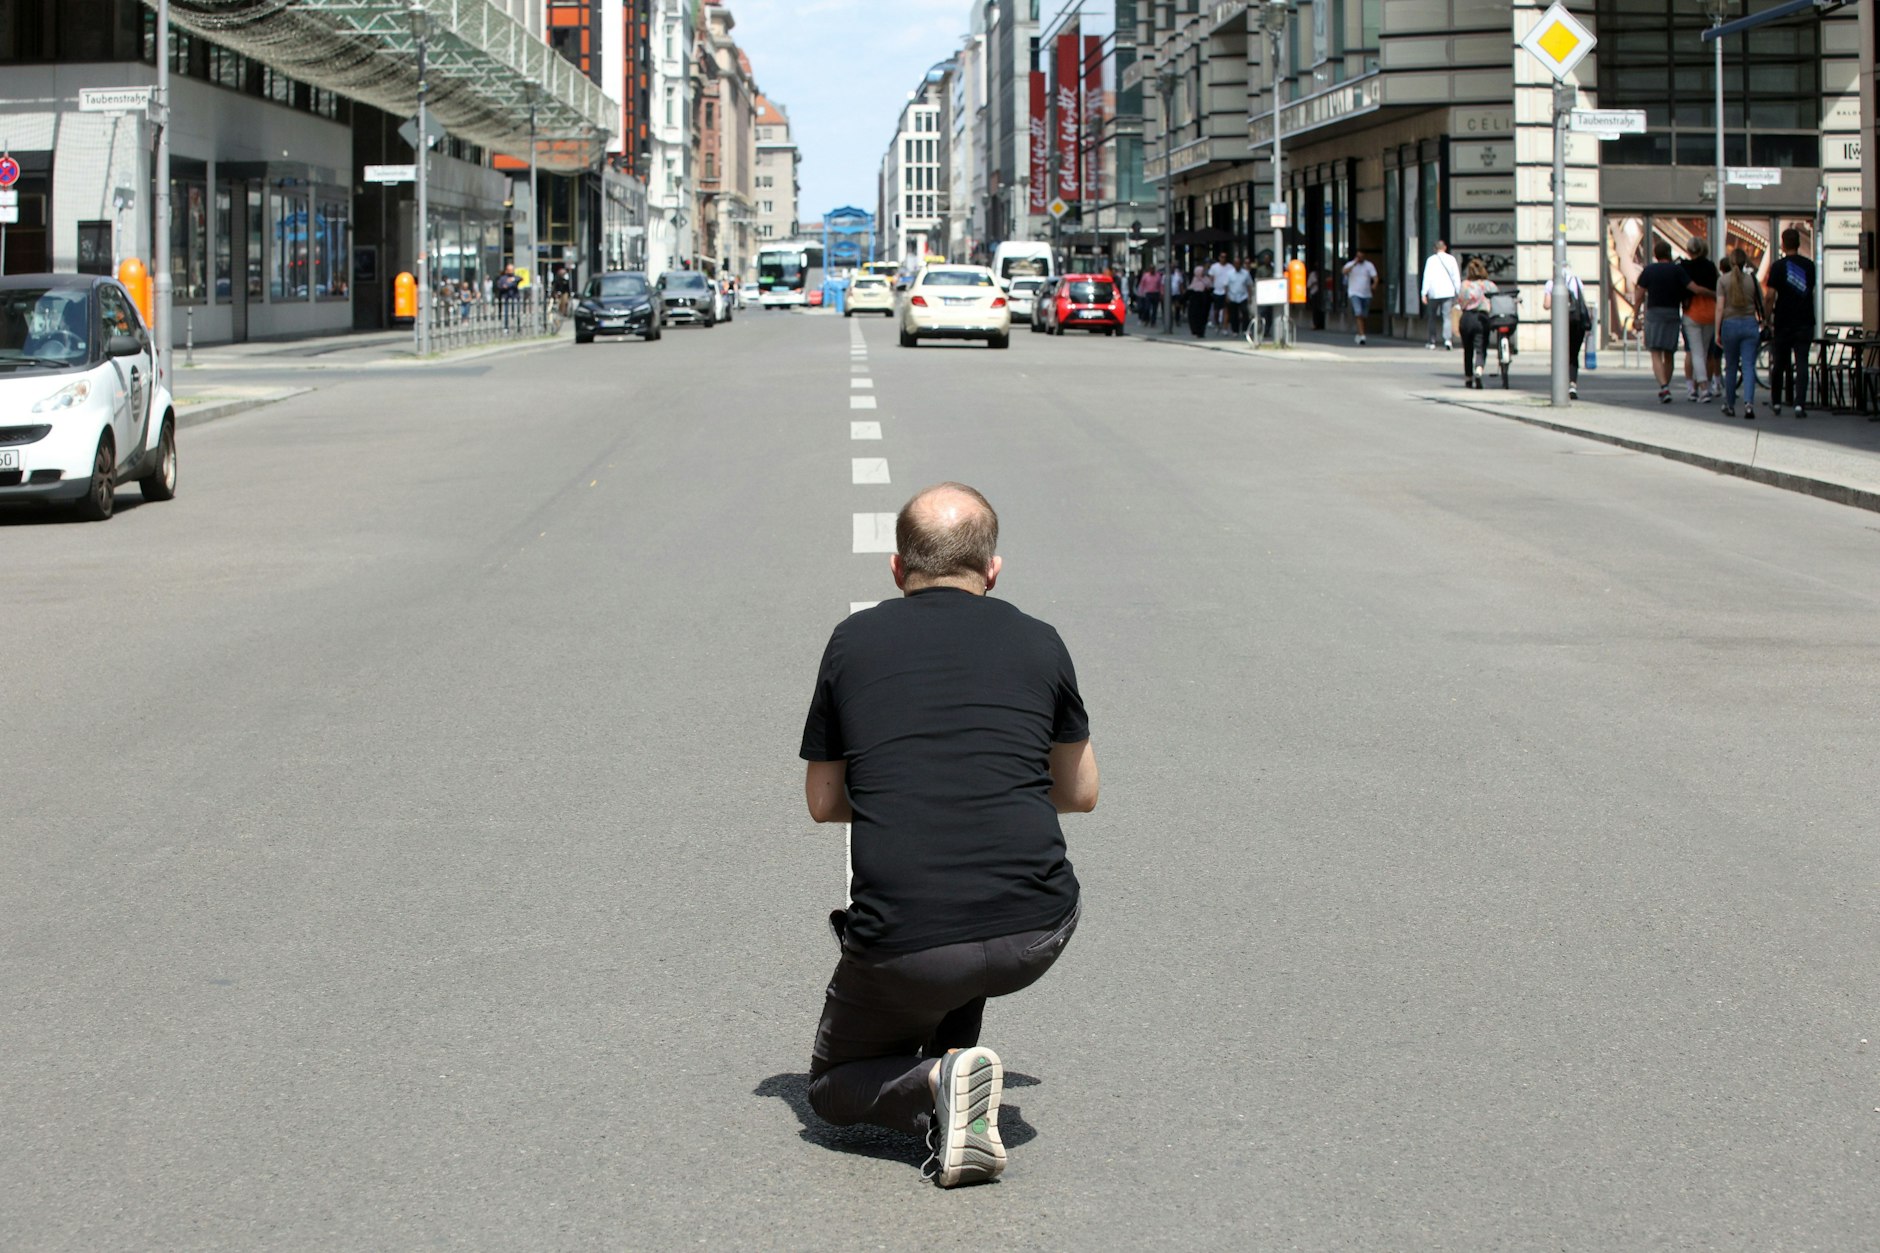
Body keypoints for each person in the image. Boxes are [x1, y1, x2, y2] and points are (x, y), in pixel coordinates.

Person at [799, 483, 1099, 1189]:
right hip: (1038, 927)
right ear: (992, 572)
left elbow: (822, 802)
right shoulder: (1040, 639)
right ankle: (961, 1070)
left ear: (898, 570)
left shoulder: (854, 640)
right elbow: (1081, 792)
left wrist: (901, 789)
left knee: (831, 1087)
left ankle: (940, 1077)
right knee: (971, 888)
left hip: (910, 940)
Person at [1764, 228, 1816, 418]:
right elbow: (1810, 289)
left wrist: (1766, 318)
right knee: (1802, 362)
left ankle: (1777, 402)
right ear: (1799, 244)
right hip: (1805, 320)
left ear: (1783, 244)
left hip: (1784, 321)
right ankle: (1799, 404)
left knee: (1779, 363)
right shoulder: (1809, 266)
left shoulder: (1778, 266)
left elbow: (1770, 296)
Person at [1631, 241, 1687, 403]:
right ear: (1669, 254)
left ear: (1656, 254)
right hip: (1672, 313)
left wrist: (1635, 316)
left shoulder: (1649, 270)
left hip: (1654, 314)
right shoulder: (1678, 270)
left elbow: (1640, 294)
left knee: (1655, 352)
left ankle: (1664, 387)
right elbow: (1689, 290)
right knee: (1669, 353)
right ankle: (1666, 386)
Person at [1715, 248, 1763, 419]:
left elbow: (1720, 307)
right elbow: (1761, 304)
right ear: (1745, 262)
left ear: (1730, 262)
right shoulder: (1752, 280)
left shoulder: (1723, 281)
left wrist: (1717, 331)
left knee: (1731, 366)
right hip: (1750, 324)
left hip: (1730, 325)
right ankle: (1749, 405)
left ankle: (1730, 405)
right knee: (1749, 366)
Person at [1541, 265, 1591, 400]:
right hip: (1577, 322)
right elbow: (1582, 300)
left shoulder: (1551, 284)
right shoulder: (1576, 280)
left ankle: (1560, 385)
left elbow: (1546, 305)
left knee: (1561, 354)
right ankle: (1572, 385)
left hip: (1561, 324)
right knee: (1574, 354)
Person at [1455, 258, 1497, 389]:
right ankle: (1479, 369)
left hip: (1466, 318)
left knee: (1467, 350)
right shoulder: (1489, 285)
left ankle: (1468, 378)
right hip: (1482, 318)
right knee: (1481, 347)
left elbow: (1460, 302)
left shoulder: (1465, 285)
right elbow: (1496, 300)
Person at [1420, 240, 1461, 350]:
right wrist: (1458, 291)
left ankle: (1432, 341)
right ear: (1445, 247)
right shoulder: (1451, 259)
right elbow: (1456, 277)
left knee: (1432, 317)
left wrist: (1424, 293)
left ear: (1435, 248)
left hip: (1434, 292)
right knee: (1447, 317)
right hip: (1448, 292)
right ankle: (1447, 340)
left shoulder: (1431, 260)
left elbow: (1426, 277)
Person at [1343, 249, 1378, 345]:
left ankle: (1359, 333)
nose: (1360, 259)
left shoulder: (1369, 265)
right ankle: (1362, 335)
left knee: (1364, 315)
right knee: (1358, 313)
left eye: (1362, 257)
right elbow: (1344, 271)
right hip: (1354, 293)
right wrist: (1354, 264)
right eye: (1358, 257)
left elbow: (1375, 277)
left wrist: (1374, 284)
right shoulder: (1351, 264)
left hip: (1366, 294)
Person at [1223, 255, 1253, 336]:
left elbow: (1249, 285)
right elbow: (1226, 285)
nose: (1237, 265)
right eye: (1235, 263)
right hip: (1232, 296)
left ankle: (1245, 329)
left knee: (1245, 312)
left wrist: (1250, 297)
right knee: (1233, 315)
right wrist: (1227, 296)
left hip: (1243, 296)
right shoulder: (1229, 274)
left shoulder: (1246, 273)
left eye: (1238, 263)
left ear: (1241, 264)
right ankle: (1235, 330)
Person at [1207, 251, 1234, 330]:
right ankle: (1217, 323)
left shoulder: (1230, 267)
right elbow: (1211, 277)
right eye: (1222, 257)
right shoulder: (1214, 267)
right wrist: (1210, 286)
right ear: (1219, 258)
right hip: (1217, 291)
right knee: (1216, 311)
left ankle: (1225, 327)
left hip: (1227, 291)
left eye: (1225, 257)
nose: (1223, 259)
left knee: (1226, 310)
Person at [1187, 260, 1213, 338]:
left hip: (1204, 303)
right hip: (1194, 303)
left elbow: (1211, 289)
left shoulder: (1206, 279)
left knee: (1203, 318)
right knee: (1194, 317)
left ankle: (1201, 332)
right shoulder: (1194, 280)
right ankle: (1195, 330)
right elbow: (1189, 292)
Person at [493, 264, 521, 331]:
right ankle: (506, 327)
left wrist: (512, 280)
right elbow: (500, 285)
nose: (511, 271)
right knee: (506, 314)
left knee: (517, 313)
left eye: (512, 269)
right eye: (510, 270)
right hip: (506, 298)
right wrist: (505, 286)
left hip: (514, 297)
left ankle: (518, 326)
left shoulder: (515, 277)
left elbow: (520, 278)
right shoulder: (503, 278)